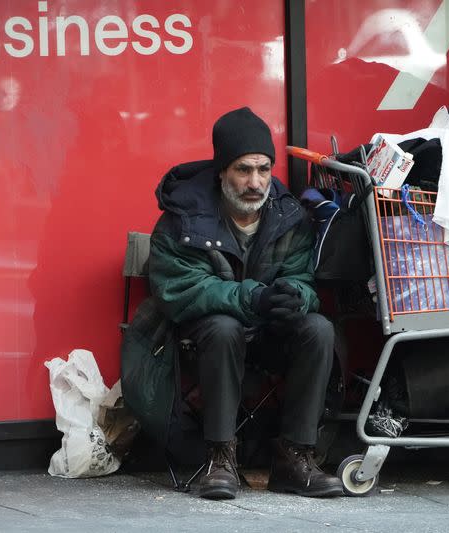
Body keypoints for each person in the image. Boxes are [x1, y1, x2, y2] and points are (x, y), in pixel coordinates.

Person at [147, 107, 342, 500]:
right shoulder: (182, 219)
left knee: (319, 329)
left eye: (264, 169)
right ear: (221, 171)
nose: (256, 182)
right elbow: (181, 290)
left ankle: (295, 456)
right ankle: (220, 456)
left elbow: (303, 279)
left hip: (269, 332)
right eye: (243, 170)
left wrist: (294, 296)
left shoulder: (289, 215)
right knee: (223, 326)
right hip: (206, 337)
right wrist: (253, 297)